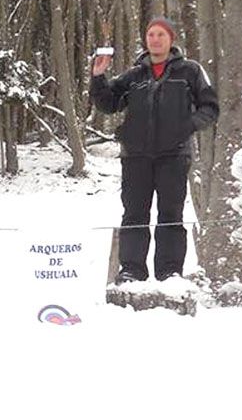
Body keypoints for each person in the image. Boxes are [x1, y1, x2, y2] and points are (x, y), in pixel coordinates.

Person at [90, 17, 219, 283]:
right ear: (146, 40)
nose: (155, 39)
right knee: (134, 213)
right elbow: (107, 104)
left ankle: (169, 271)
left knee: (170, 214)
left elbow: (210, 107)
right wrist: (98, 77)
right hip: (136, 156)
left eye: (161, 34)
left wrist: (187, 126)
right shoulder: (134, 75)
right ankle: (132, 270)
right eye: (151, 35)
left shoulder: (190, 71)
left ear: (171, 39)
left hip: (174, 154)